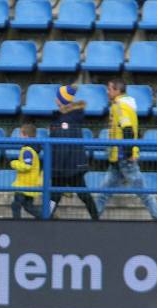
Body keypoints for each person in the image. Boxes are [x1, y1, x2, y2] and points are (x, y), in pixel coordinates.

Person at [95, 79, 157, 221]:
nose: (107, 92)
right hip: (117, 159)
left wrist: (127, 154)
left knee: (144, 194)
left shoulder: (120, 107)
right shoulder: (125, 105)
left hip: (123, 158)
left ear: (117, 90)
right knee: (103, 192)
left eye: (109, 89)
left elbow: (128, 130)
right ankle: (93, 218)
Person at [48, 85, 99, 220]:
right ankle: (96, 218)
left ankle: (45, 218)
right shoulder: (67, 117)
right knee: (58, 195)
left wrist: (55, 168)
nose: (55, 99)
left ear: (62, 100)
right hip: (70, 166)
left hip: (67, 167)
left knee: (60, 195)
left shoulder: (65, 120)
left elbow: (62, 147)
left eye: (57, 97)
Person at [10, 124, 42, 219]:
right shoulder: (33, 149)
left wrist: (14, 163)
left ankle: (16, 225)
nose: (19, 136)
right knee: (28, 207)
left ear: (25, 136)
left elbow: (27, 166)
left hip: (24, 185)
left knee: (16, 205)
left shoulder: (27, 150)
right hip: (30, 184)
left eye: (20, 134)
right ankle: (46, 217)